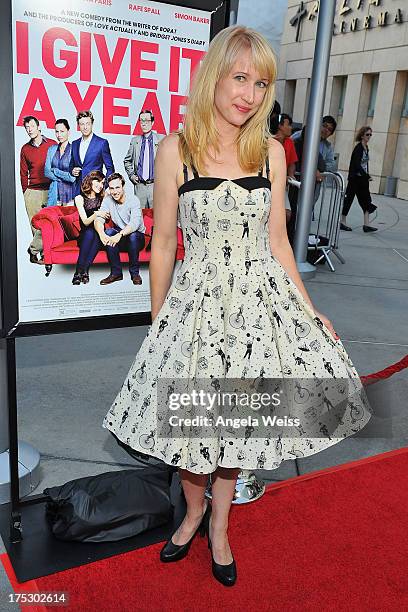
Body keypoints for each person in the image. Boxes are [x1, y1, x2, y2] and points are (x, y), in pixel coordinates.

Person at [102, 26, 372, 587]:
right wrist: (159, 324)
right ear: (215, 77)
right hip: (196, 307)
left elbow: (278, 242)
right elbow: (163, 246)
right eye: (240, 77)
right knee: (193, 424)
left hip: (256, 306)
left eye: (261, 83)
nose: (248, 93)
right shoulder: (175, 149)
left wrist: (309, 307)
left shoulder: (271, 153)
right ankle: (194, 513)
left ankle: (220, 524)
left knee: (236, 426)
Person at [94, 173, 145, 285]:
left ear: (123, 187)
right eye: (111, 188)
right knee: (108, 232)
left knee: (133, 236)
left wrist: (120, 235)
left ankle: (135, 273)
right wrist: (102, 234)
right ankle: (116, 273)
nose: (115, 191)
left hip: (137, 237)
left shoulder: (133, 200)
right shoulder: (107, 200)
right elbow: (99, 219)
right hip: (121, 238)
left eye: (117, 187)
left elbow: (134, 224)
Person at [20, 115, 56, 263]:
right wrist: (26, 192)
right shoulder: (25, 149)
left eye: (32, 126)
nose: (30, 130)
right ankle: (41, 255)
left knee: (50, 223)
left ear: (39, 127)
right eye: (27, 128)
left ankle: (33, 250)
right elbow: (23, 172)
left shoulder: (52, 145)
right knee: (35, 224)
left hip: (50, 190)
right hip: (32, 191)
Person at [72, 171, 107, 285]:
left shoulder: (103, 197)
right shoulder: (79, 198)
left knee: (96, 234)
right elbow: (86, 222)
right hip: (85, 235)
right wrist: (97, 213)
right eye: (98, 181)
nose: (100, 185)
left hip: (99, 233)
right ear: (90, 181)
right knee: (90, 233)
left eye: (102, 183)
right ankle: (81, 271)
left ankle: (82, 270)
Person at [123, 110, 164, 209]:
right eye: (141, 121)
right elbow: (127, 160)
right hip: (140, 187)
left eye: (146, 120)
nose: (144, 123)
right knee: (139, 218)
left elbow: (168, 162)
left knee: (156, 217)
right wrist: (132, 175)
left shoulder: (161, 139)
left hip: (155, 186)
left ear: (152, 122)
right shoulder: (135, 141)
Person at [340, 126, 377, 233]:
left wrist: (366, 175)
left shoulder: (366, 148)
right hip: (355, 179)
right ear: (362, 136)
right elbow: (356, 164)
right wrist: (366, 175)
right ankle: (342, 222)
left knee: (366, 200)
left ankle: (366, 225)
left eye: (370, 134)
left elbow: (364, 164)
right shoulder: (358, 148)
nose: (369, 136)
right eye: (367, 134)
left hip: (363, 180)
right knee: (349, 199)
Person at [70, 110, 115, 196]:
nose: (85, 127)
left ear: (92, 124)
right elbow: (71, 165)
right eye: (82, 124)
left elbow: (110, 168)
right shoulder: (74, 144)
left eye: (88, 123)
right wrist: (72, 171)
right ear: (78, 126)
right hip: (78, 191)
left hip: (95, 193)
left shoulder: (102, 143)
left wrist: (103, 186)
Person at [270, 113, 298, 224]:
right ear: (280, 126)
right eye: (288, 124)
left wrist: (291, 175)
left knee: (286, 214)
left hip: (281, 184)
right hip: (267, 182)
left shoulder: (289, 142)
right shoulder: (268, 140)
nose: (291, 127)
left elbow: (292, 162)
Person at [44, 119, 76, 206]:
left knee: (68, 219)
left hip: (70, 196)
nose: (59, 135)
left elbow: (72, 178)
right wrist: (64, 176)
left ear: (68, 132)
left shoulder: (74, 149)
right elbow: (46, 172)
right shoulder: (52, 149)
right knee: (51, 218)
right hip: (54, 194)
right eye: (57, 132)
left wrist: (55, 171)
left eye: (62, 131)